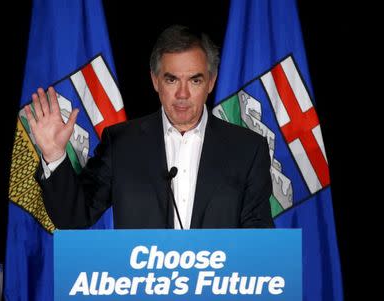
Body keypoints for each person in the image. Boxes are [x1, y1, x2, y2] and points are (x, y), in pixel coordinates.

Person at [25, 25, 274, 229]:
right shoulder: (121, 144)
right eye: (172, 79)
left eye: (195, 80)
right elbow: (74, 218)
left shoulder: (248, 149)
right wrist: (54, 155)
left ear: (211, 81)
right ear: (155, 81)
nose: (183, 94)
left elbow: (258, 242)